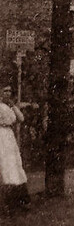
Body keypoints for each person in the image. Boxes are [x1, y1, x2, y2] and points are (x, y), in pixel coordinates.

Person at [0, 85, 29, 213]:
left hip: (9, 136)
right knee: (4, 165)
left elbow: (21, 118)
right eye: (5, 91)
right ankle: (5, 202)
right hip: (1, 135)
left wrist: (13, 106)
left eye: (9, 91)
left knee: (14, 164)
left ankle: (17, 200)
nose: (7, 93)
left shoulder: (9, 106)